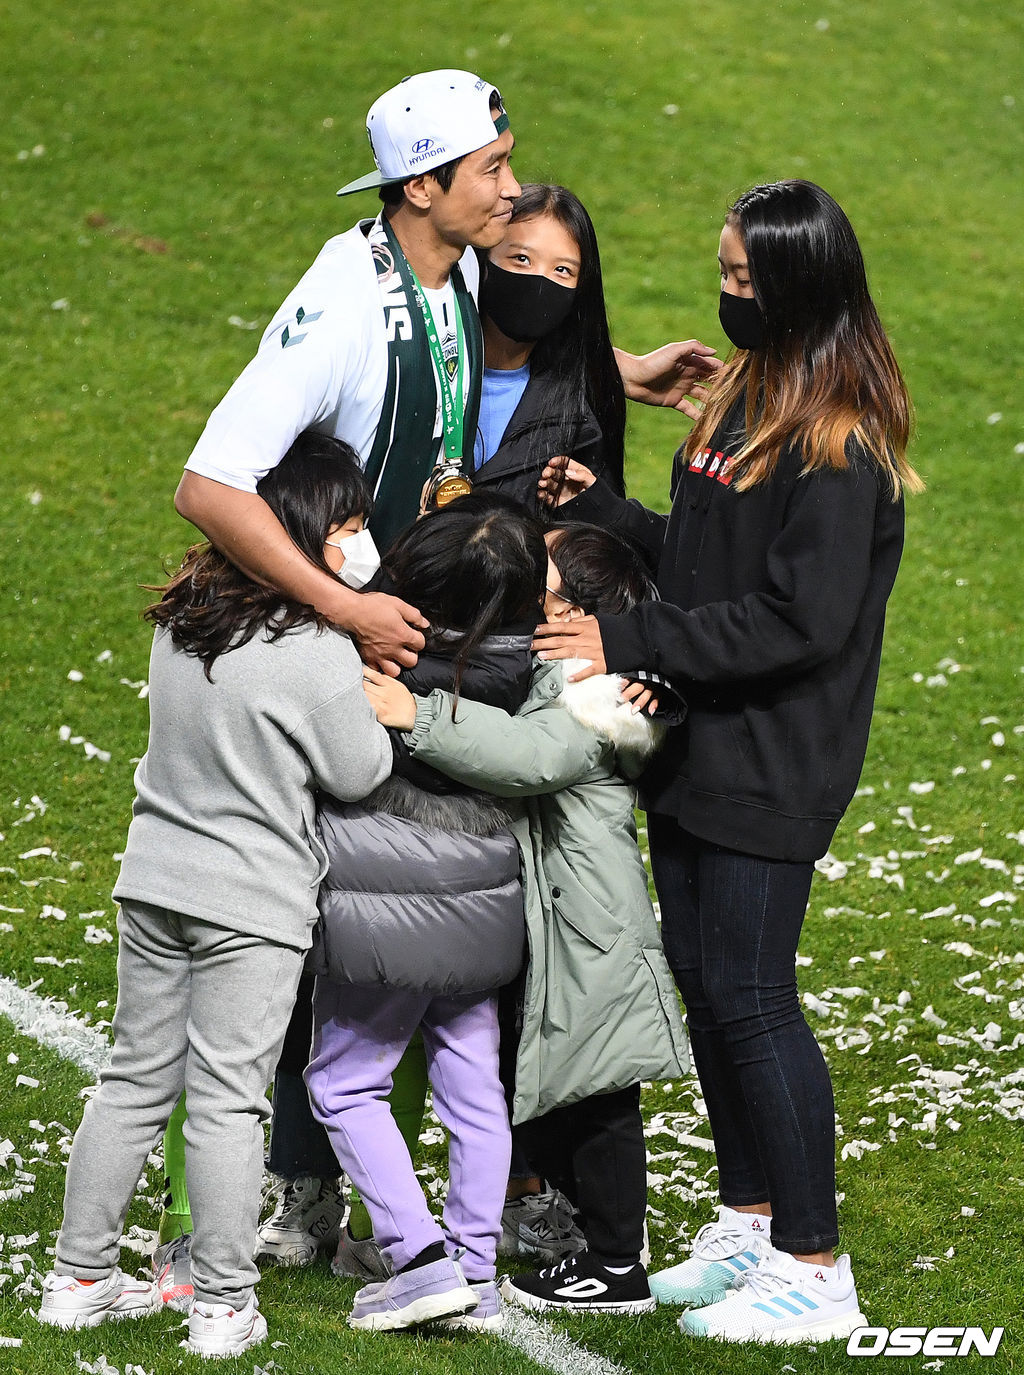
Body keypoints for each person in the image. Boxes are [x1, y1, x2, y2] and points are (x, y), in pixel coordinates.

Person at [531, 179, 921, 1345]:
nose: (726, 296)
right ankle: (750, 1219)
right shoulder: (754, 397)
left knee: (753, 998)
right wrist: (614, 511)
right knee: (708, 988)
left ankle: (815, 1264)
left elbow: (793, 622)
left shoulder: (840, 445)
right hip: (703, 747)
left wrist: (626, 634)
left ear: (800, 289)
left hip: (772, 760)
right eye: (725, 273)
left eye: (746, 282)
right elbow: (712, 569)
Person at [36, 432, 393, 1357]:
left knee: (132, 1080)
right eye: (349, 522)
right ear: (308, 533)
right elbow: (358, 771)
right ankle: (223, 1302)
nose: (360, 539)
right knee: (232, 1100)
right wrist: (374, 696)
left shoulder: (183, 617)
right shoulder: (317, 648)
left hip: (153, 879)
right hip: (251, 903)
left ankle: (78, 1275)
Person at [363, 521, 690, 1315]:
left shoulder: (593, 693)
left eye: (538, 584)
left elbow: (529, 756)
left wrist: (421, 714)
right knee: (564, 1088)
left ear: (574, 614)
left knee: (602, 1100)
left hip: (591, 934)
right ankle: (584, 1238)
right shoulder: (575, 679)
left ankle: (616, 1261)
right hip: (569, 927)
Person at [303, 493, 547, 1332]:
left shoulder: (375, 661)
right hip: (486, 901)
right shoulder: (529, 670)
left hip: (386, 900)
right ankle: (475, 1270)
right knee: (476, 1087)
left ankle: (418, 1257)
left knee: (343, 1081)